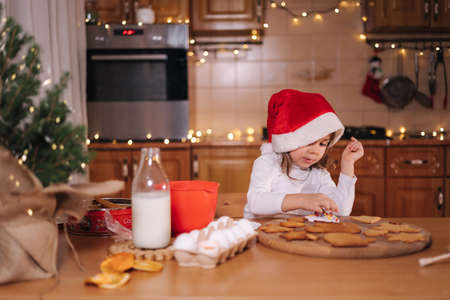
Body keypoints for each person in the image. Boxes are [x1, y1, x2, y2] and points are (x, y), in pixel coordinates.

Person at [244, 89, 364, 219]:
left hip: (297, 236)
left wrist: (347, 164)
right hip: (261, 233)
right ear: (288, 140)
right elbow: (255, 202)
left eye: (322, 144)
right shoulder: (267, 162)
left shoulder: (319, 173)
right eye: (308, 142)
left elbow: (341, 210)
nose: (315, 151)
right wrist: (302, 200)